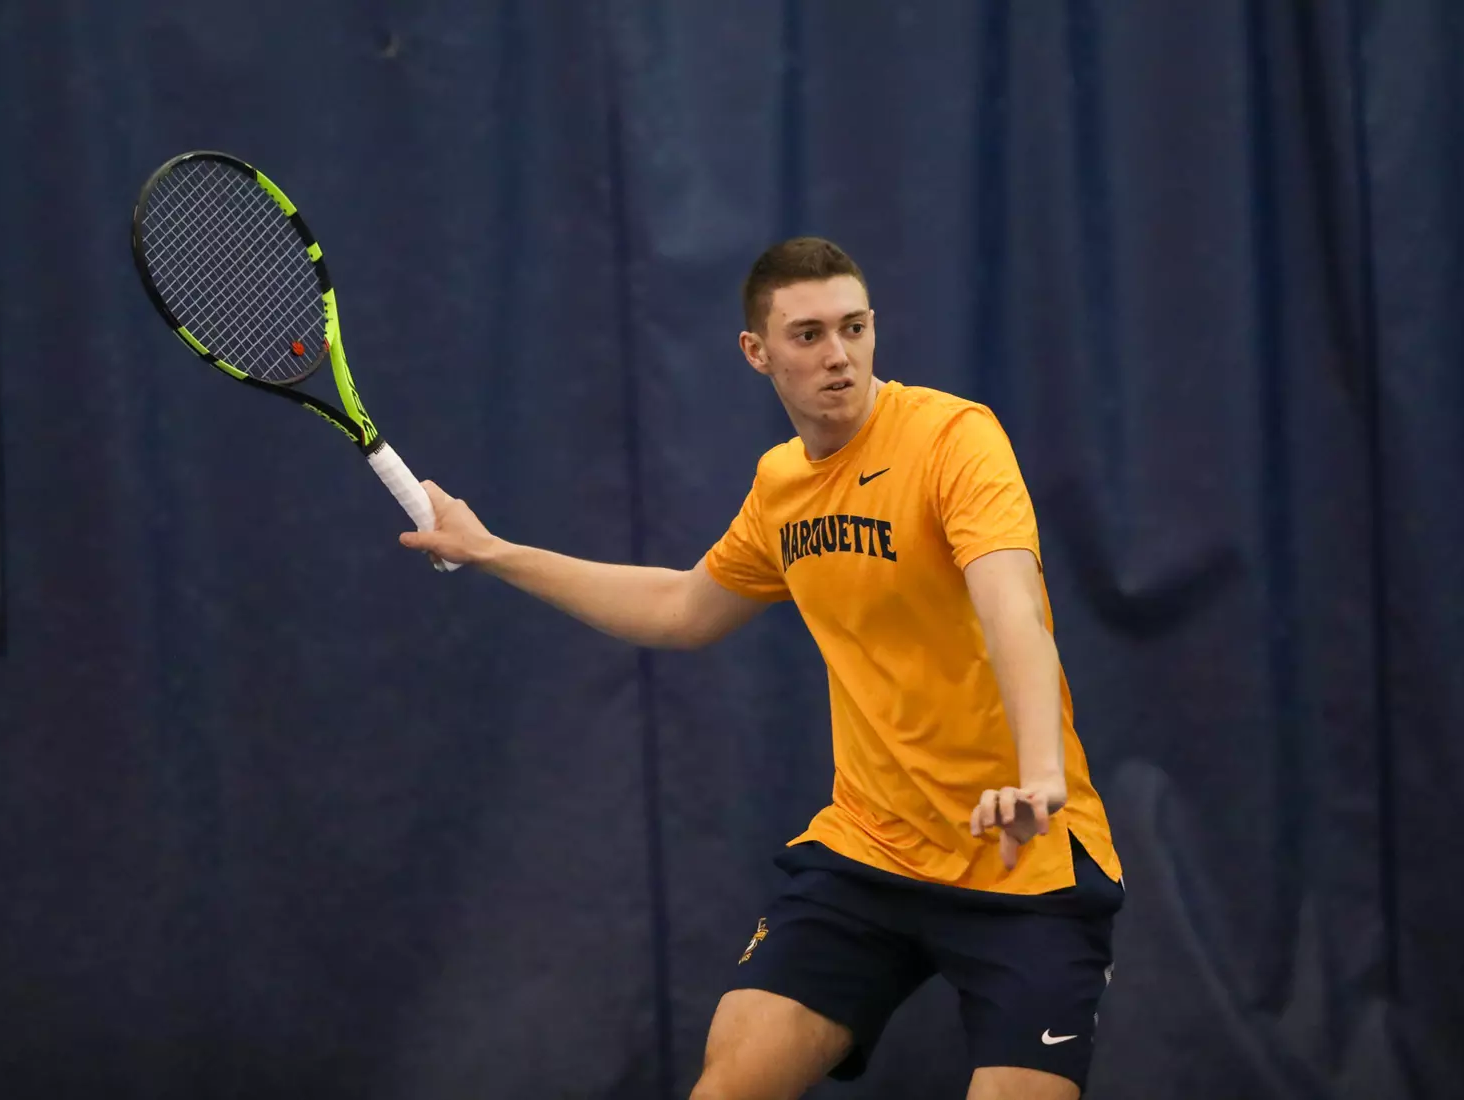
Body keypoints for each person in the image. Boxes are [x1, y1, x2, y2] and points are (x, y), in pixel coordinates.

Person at [401, 238, 1123, 1100]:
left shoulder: (954, 440)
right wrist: (492, 552)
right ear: (758, 352)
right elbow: (681, 608)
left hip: (1023, 854)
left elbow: (1014, 609)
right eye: (809, 335)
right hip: (872, 849)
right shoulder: (781, 486)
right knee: (730, 1081)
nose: (839, 356)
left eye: (854, 328)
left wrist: (1040, 775)